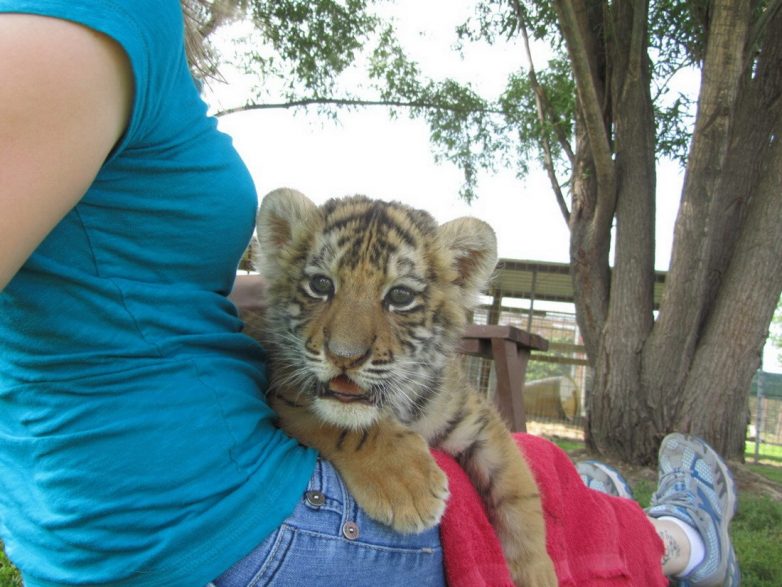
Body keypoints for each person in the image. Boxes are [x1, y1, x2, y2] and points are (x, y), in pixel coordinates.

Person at [0, 1, 738, 585]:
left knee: (530, 462)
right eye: (324, 291)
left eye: (398, 299)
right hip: (217, 522)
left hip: (131, 508)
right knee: (553, 504)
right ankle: (682, 535)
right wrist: (359, 439)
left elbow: (113, 281)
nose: (348, 342)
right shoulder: (84, 18)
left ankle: (606, 492)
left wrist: (285, 290)